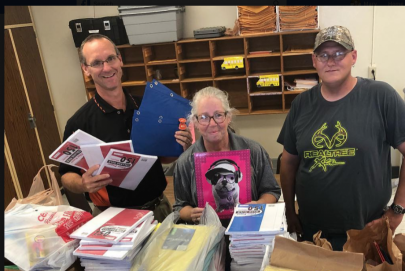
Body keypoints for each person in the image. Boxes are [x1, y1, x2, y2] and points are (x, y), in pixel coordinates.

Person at [278, 26, 405, 251]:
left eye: (339, 53)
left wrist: (396, 212)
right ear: (314, 61)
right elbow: (288, 163)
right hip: (312, 231)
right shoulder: (301, 105)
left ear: (353, 57)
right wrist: (290, 212)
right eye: (323, 55)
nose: (331, 61)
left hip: (366, 231)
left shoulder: (380, 96)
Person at [59, 34, 192, 222]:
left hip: (158, 210)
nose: (106, 68)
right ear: (86, 69)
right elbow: (66, 174)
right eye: (96, 63)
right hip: (110, 218)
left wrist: (181, 146)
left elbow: (162, 157)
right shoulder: (79, 123)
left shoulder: (146, 108)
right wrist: (82, 183)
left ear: (120, 60)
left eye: (110, 58)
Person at [173, 87, 281, 225]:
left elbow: (271, 191)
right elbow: (179, 206)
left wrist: (259, 204)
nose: (212, 124)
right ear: (195, 122)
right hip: (207, 236)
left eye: (218, 115)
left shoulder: (253, 150)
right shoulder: (185, 161)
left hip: (248, 229)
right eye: (204, 117)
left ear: (228, 117)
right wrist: (190, 214)